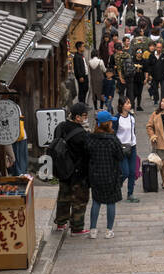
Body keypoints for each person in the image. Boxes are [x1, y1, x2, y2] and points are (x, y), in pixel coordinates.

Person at [52, 101, 90, 235]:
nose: (86, 118)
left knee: (63, 196)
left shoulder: (61, 126)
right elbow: (87, 153)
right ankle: (77, 227)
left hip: (62, 169)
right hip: (78, 172)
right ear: (77, 117)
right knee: (79, 200)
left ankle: (61, 223)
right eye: (84, 115)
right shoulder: (81, 134)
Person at [86, 110, 124, 239]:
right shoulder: (112, 140)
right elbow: (120, 155)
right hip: (111, 175)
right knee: (110, 202)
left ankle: (93, 230)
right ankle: (109, 230)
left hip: (96, 175)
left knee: (96, 201)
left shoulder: (91, 139)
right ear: (107, 124)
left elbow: (87, 154)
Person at [115, 96, 140, 203]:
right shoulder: (117, 119)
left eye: (130, 103)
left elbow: (133, 131)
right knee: (125, 172)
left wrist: (133, 142)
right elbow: (114, 133)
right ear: (121, 106)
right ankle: (116, 186)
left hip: (132, 147)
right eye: (127, 103)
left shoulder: (131, 117)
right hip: (121, 148)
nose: (129, 105)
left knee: (132, 172)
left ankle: (130, 194)